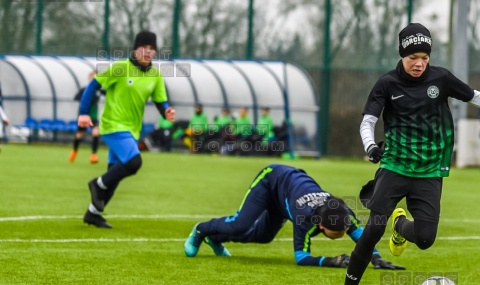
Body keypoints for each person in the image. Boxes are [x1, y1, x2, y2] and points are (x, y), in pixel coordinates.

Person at [329, 23, 480, 285]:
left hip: (430, 170)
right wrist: (370, 146)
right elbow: (368, 121)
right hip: (395, 165)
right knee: (372, 230)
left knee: (426, 239)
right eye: (412, 58)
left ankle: (400, 224)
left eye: (424, 58)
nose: (419, 64)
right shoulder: (387, 83)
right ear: (402, 55)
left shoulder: (441, 79)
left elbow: (476, 97)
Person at [184, 164, 405, 270]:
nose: (340, 235)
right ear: (319, 225)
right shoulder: (305, 219)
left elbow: (360, 234)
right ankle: (202, 229)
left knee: (263, 237)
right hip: (271, 181)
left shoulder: (342, 212)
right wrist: (330, 261)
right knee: (241, 224)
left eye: (342, 231)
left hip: (285, 197)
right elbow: (300, 257)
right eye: (335, 233)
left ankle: (216, 239)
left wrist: (375, 258)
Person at [78, 31, 175, 228]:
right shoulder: (121, 67)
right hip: (113, 125)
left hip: (132, 129)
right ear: (136, 49)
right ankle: (97, 184)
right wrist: (84, 113)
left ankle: (92, 213)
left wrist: (166, 111)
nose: (148, 52)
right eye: (144, 48)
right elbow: (92, 86)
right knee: (133, 162)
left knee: (114, 173)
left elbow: (160, 100)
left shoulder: (155, 75)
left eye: (152, 49)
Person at [70, 71, 103, 164]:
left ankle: (93, 155)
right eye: (92, 77)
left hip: (93, 116)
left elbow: (109, 94)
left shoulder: (99, 91)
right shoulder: (85, 89)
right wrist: (86, 98)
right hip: (84, 116)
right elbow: (76, 97)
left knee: (96, 133)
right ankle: (74, 151)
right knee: (80, 134)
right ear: (89, 78)